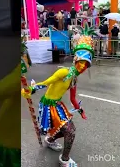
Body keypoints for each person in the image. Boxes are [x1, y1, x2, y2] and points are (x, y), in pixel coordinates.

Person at [21, 24, 96, 166]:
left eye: (86, 65)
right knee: (70, 131)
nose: (83, 67)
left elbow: (73, 98)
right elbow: (47, 82)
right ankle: (65, 160)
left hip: (57, 105)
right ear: (76, 60)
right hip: (49, 105)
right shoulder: (64, 72)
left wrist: (80, 110)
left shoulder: (74, 79)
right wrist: (32, 89)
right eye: (81, 62)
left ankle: (49, 140)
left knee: (67, 129)